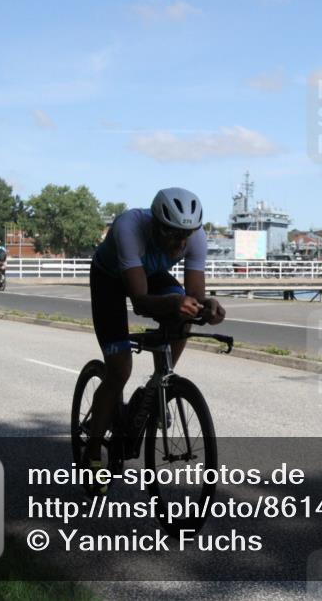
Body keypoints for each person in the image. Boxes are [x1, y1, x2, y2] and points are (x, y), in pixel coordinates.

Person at [85, 188, 226, 492]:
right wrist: (174, 305)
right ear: (157, 226)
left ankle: (161, 380)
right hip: (110, 278)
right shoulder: (129, 228)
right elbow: (140, 300)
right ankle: (93, 450)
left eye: (187, 235)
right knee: (119, 371)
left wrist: (207, 306)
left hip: (151, 272)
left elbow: (195, 294)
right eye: (174, 236)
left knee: (186, 311)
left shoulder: (195, 237)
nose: (181, 244)